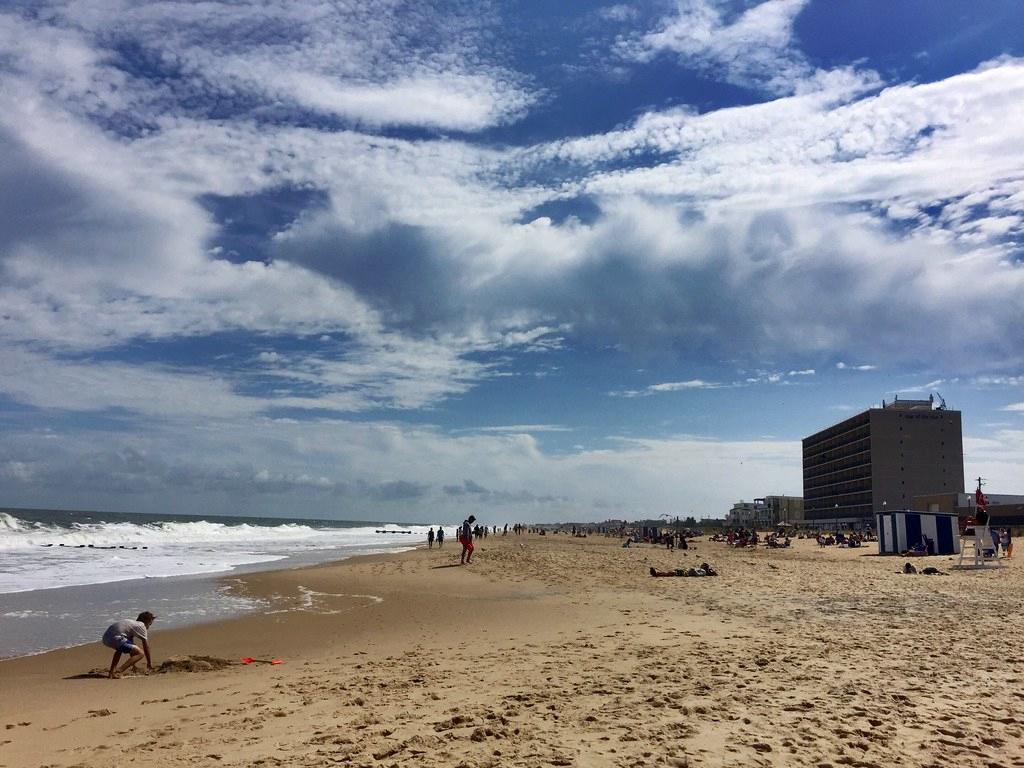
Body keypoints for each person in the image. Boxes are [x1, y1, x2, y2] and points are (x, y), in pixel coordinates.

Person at [103, 612, 155, 679]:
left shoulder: (131, 624)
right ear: (147, 621)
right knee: (141, 653)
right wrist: (149, 664)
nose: (148, 627)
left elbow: (131, 647)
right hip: (117, 638)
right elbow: (146, 647)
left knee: (120, 649)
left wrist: (133, 664)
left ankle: (112, 671)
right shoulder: (142, 626)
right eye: (150, 624)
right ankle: (118, 671)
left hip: (106, 638)